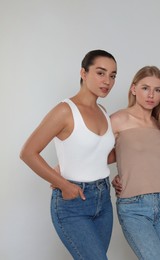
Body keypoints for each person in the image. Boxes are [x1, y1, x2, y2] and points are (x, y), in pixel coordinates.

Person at [19, 49, 117, 259]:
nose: (107, 80)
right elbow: (28, 152)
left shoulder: (104, 112)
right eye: (100, 73)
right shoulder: (65, 110)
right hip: (73, 204)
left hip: (104, 200)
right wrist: (64, 184)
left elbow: (100, 155)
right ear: (83, 72)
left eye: (112, 75)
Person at [110, 66, 160, 260]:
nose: (151, 95)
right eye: (145, 88)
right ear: (133, 89)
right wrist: (63, 169)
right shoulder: (118, 119)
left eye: (158, 90)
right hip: (133, 206)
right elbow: (96, 154)